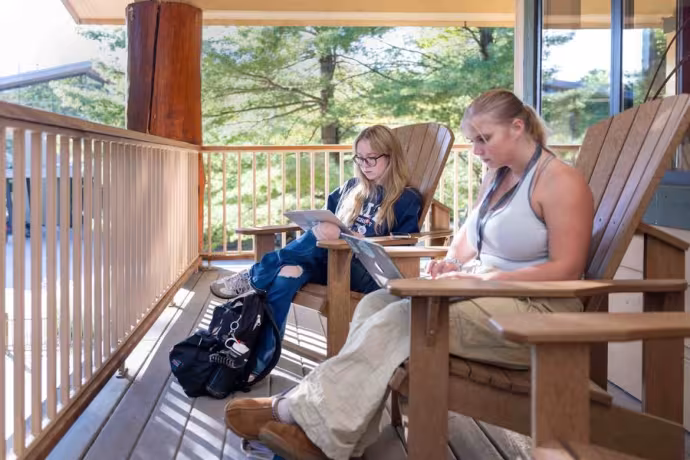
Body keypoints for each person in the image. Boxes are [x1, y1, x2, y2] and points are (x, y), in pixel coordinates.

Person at [222, 89, 595, 460]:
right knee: (375, 303)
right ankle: (333, 435)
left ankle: (295, 414)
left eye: (485, 139)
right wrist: (449, 263)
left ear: (518, 127)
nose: (477, 150)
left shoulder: (559, 181)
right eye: (472, 141)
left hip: (535, 316)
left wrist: (482, 280)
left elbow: (567, 268)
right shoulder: (497, 177)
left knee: (404, 319)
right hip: (486, 297)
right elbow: (466, 242)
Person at [211, 125, 423, 376]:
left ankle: (254, 275)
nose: (365, 164)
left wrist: (351, 238)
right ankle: (260, 361)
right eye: (360, 158)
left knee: (322, 236)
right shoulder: (351, 188)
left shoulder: (406, 199)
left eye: (372, 158)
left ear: (391, 156)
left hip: (362, 270)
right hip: (329, 261)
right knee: (285, 273)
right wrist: (321, 227)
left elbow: (404, 246)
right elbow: (326, 220)